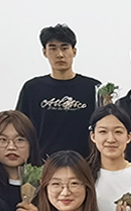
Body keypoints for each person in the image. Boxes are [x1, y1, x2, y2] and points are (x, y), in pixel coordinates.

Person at [15, 24, 100, 158]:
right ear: (45, 52)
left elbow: (103, 127)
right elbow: (20, 128)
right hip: (42, 164)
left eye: (64, 48)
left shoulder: (92, 88)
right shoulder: (32, 88)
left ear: (74, 51)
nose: (59, 54)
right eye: (53, 48)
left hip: (84, 163)